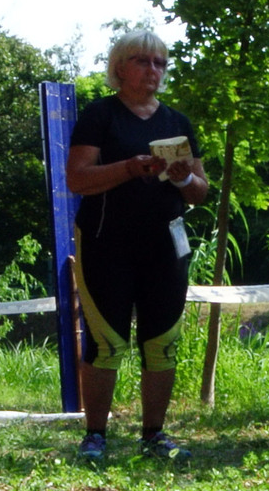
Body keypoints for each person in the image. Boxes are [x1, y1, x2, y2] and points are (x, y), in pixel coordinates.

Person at [64, 28, 207, 462]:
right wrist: (128, 167)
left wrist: (183, 176)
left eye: (160, 63)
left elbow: (200, 192)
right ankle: (95, 436)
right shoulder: (100, 115)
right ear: (120, 68)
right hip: (106, 244)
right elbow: (76, 179)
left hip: (164, 248)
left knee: (162, 342)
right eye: (143, 61)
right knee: (106, 343)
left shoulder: (178, 123)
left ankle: (154, 435)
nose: (153, 70)